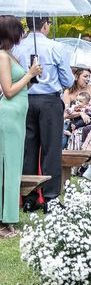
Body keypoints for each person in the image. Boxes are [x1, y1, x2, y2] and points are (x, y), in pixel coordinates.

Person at [13, 16, 74, 212]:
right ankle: (50, 198)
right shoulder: (56, 47)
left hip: (25, 99)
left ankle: (29, 198)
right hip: (49, 100)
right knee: (51, 149)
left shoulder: (18, 47)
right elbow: (68, 80)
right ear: (45, 24)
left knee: (29, 149)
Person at [0, 16, 42, 237]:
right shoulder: (2, 57)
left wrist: (32, 76)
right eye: (20, 30)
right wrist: (29, 74)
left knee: (13, 167)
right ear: (11, 33)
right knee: (7, 168)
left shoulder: (10, 56)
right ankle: (4, 220)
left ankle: (8, 218)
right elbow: (7, 90)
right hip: (8, 117)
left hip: (17, 117)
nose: (23, 34)